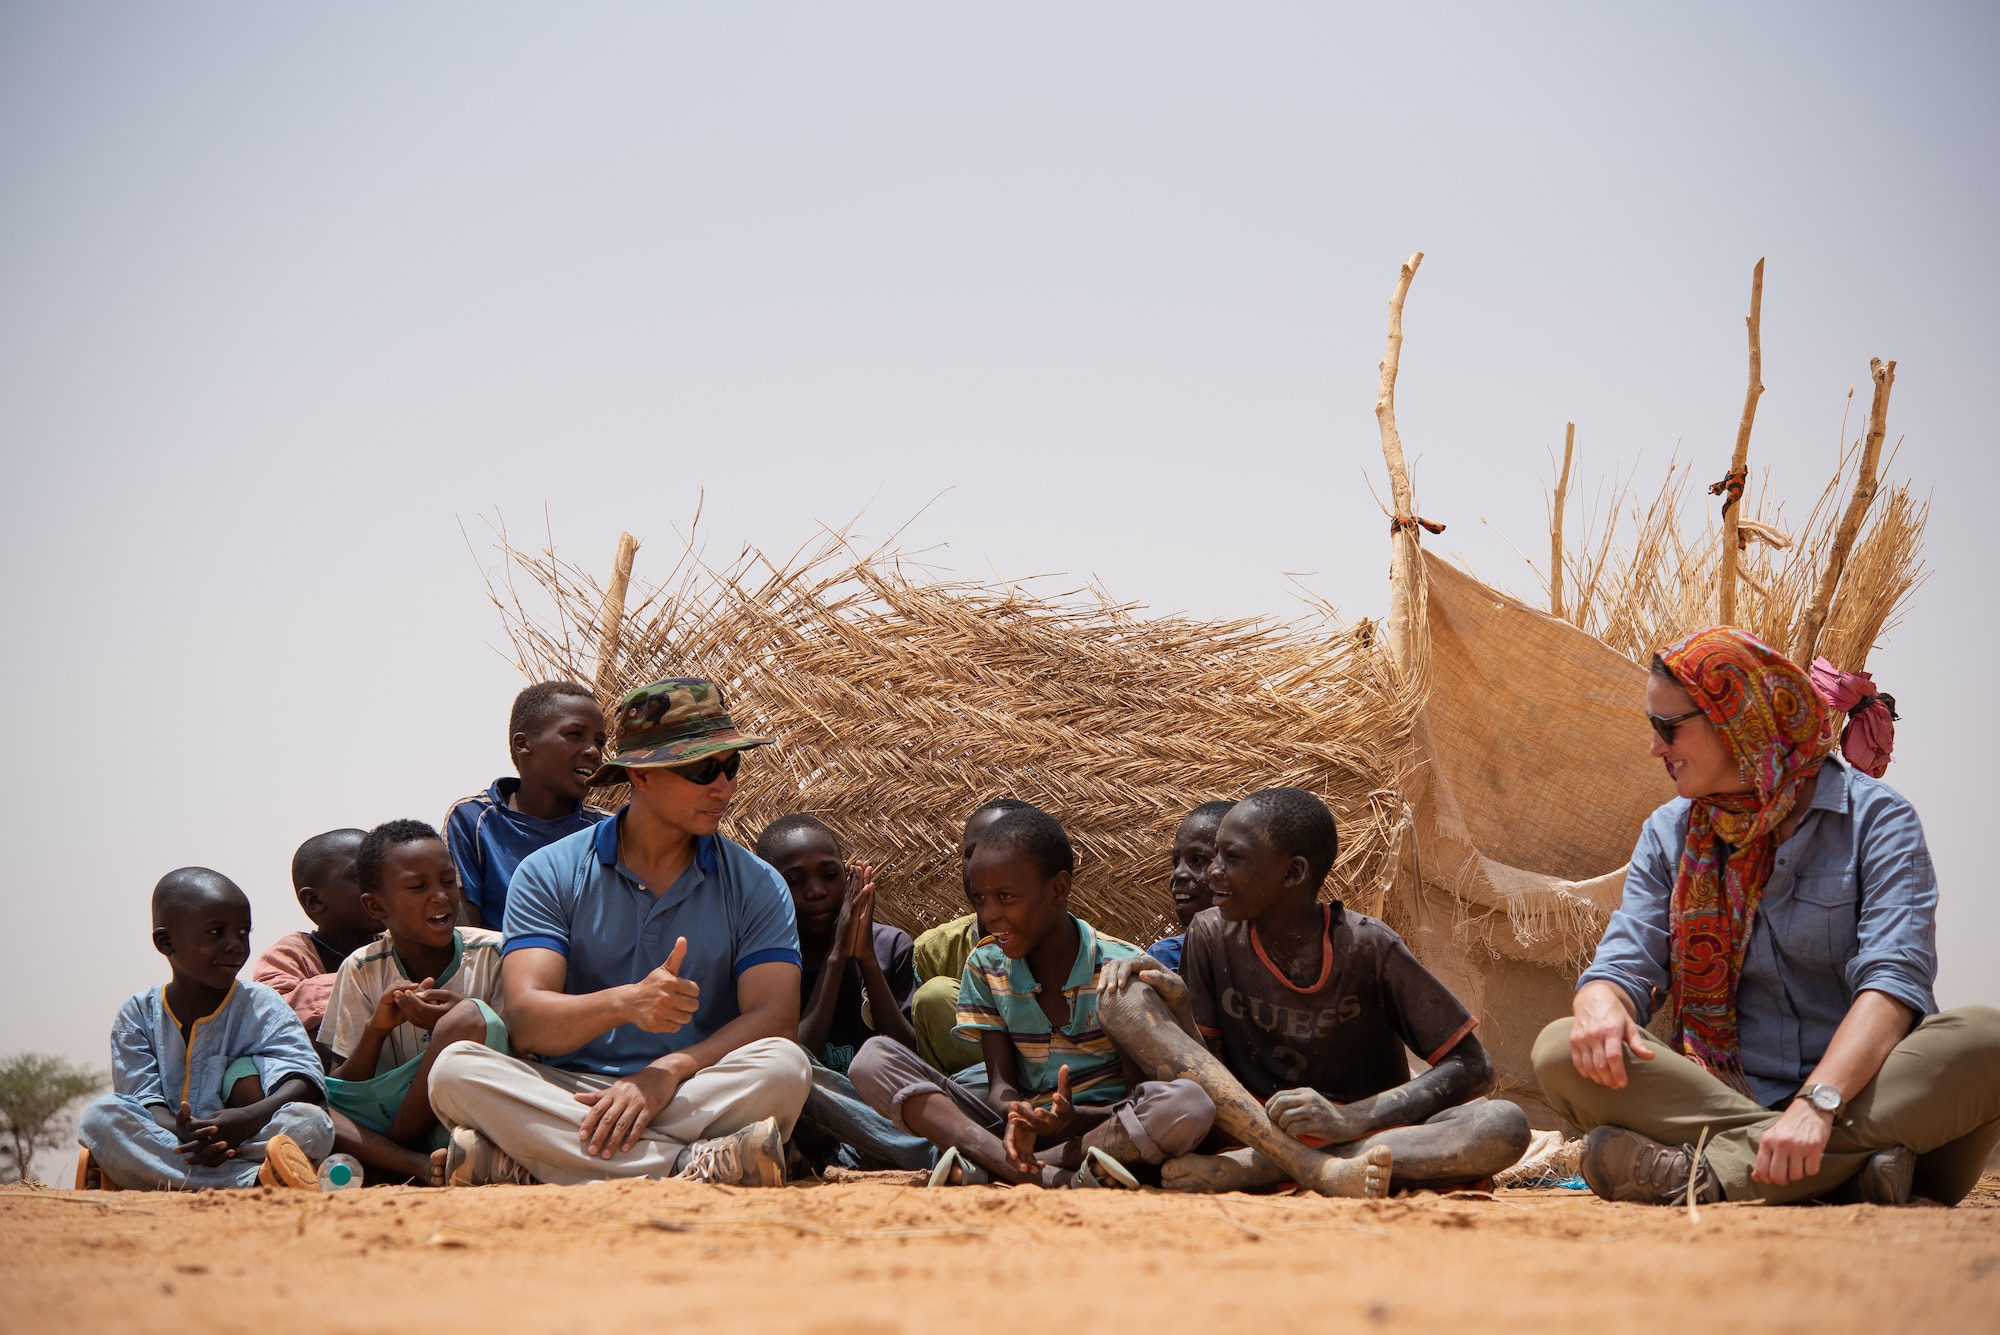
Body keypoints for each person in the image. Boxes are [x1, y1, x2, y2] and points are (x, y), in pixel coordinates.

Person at [1534, 627, 2000, 1207]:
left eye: (1667, 727)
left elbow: (1892, 984)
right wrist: (1601, 1004)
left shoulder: (1879, 821)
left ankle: (1715, 1173)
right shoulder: (1668, 834)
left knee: (1989, 1038)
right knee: (1561, 1050)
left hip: (1867, 1096)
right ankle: (1847, 1175)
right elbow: (1625, 964)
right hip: (1732, 1100)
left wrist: (1817, 1103)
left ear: (1739, 720)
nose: (1656, 748)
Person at [427, 677, 812, 1187]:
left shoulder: (756, 882)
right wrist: (626, 1003)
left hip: (692, 1084)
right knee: (454, 1071)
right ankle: (689, 1163)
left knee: (785, 1066)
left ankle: (537, 1164)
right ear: (641, 774)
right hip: (572, 1088)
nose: (724, 787)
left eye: (730, 765)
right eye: (701, 769)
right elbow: (527, 1021)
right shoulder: (548, 872)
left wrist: (666, 1071)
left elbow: (775, 1017)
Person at [1100, 787, 1528, 1197]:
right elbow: (1211, 1076)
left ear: (1293, 873)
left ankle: (1257, 1171)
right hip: (1250, 1129)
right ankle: (1312, 1168)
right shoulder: (1210, 934)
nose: (1212, 872)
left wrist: (1345, 1119)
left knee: (1503, 1124)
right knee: (1122, 997)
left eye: (1231, 858)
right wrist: (1180, 1008)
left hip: (1366, 1132)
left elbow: (1473, 1067)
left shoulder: (1367, 945)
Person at [849, 807, 1216, 1187]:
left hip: (1100, 1128)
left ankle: (1010, 1165)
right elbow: (1000, 1086)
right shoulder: (987, 964)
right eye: (980, 898)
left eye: (1005, 897)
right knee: (873, 1060)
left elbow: (1135, 1097)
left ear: (1058, 889)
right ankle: (1049, 1173)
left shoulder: (1118, 970)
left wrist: (1073, 1118)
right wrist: (1018, 1114)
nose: (989, 914)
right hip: (1014, 1130)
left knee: (1187, 1104)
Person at [76, 869, 334, 1191]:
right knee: (101, 1117)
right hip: (172, 1138)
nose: (236, 945)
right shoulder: (138, 1013)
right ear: (165, 941)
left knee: (312, 1125)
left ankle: (137, 1173)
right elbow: (141, 1097)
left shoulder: (261, 1004)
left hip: (244, 1135)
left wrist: (247, 1119)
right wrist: (183, 1132)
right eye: (216, 933)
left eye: (243, 932)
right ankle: (255, 1181)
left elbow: (303, 1079)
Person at [316, 820, 510, 1186]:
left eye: (448, 881)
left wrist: (458, 1020)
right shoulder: (362, 969)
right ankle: (418, 1164)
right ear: (376, 906)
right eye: (418, 887)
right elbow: (347, 1089)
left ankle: (389, 1159)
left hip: (471, 1112)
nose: (440, 896)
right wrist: (377, 1029)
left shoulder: (494, 954)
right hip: (397, 1121)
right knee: (311, 1107)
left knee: (468, 1017)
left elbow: (525, 1056)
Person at [758, 813, 930, 1172]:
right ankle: (903, 1149)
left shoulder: (890, 946)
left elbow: (909, 1056)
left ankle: (861, 1152)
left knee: (968, 1081)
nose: (817, 890)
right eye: (795, 881)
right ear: (767, 885)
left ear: (850, 877)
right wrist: (837, 957)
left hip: (885, 1104)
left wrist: (865, 958)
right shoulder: (767, 960)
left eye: (830, 875)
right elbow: (798, 1056)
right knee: (790, 1070)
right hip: (816, 1117)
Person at [445, 681, 611, 931]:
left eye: (599, 742)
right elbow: (466, 937)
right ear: (522, 744)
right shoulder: (474, 820)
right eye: (575, 735)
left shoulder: (607, 830)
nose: (593, 751)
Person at [909, 798, 1033, 1074]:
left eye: (1003, 851)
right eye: (973, 853)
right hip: (967, 1095)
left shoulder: (1068, 945)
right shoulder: (933, 951)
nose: (984, 866)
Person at [252, 828, 373, 1047]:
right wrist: (371, 982)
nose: (379, 886)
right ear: (314, 900)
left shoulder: (398, 942)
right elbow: (271, 1014)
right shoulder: (288, 955)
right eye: (359, 876)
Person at [1145, 801, 1232, 973]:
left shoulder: (1283, 958)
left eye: (1198, 860)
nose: (1178, 873)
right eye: (1175, 862)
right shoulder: (1166, 960)